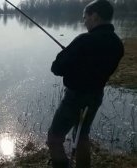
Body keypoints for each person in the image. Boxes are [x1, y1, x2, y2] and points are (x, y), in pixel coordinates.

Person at [47, 0, 124, 168]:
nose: (84, 21)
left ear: (95, 16)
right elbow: (96, 68)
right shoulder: (117, 44)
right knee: (81, 137)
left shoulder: (84, 40)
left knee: (54, 138)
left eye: (85, 17)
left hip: (75, 97)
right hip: (96, 95)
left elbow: (57, 68)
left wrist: (66, 53)